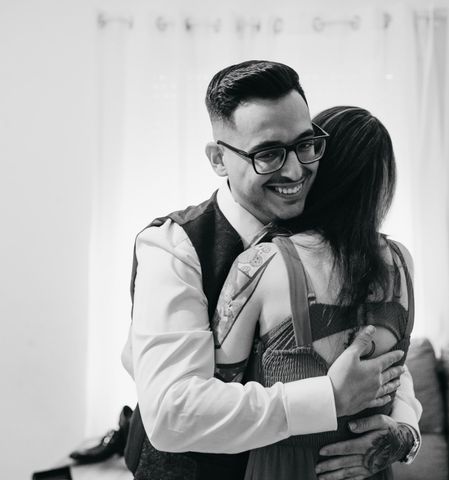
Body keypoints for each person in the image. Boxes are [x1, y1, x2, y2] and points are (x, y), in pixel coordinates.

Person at [121, 60, 422, 480]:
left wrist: (404, 428)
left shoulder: (330, 243)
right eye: (267, 154)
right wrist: (330, 398)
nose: (296, 170)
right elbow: (173, 412)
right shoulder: (172, 247)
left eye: (306, 144)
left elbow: (377, 355)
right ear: (218, 159)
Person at [211, 106, 415, 480]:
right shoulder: (401, 263)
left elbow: (217, 395)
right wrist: (405, 435)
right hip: (369, 471)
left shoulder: (260, 263)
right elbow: (399, 375)